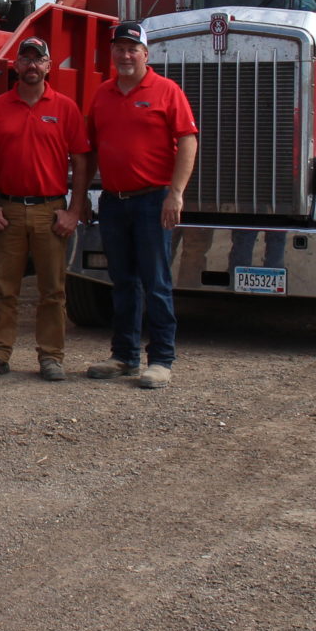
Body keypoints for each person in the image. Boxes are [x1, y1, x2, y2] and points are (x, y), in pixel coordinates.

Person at [83, 20, 199, 390]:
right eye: (119, 49)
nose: (126, 55)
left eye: (133, 49)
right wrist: (84, 194)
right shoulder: (102, 95)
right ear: (112, 54)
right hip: (114, 203)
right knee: (122, 282)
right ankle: (124, 356)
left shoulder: (166, 91)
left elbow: (188, 141)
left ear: (146, 55)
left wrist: (175, 193)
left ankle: (162, 359)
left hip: (152, 201)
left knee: (156, 282)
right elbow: (91, 150)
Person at [0, 36, 91, 383]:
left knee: (52, 290)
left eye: (39, 60)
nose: (32, 66)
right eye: (26, 59)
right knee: (3, 288)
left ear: (48, 67)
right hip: (7, 210)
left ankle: (51, 357)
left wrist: (74, 210)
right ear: (16, 66)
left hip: (50, 212)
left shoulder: (65, 108)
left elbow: (81, 163)